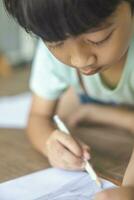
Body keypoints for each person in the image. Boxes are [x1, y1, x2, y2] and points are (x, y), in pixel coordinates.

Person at [3, 0, 134, 199]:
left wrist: (129, 189)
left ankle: (94, 111)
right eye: (56, 43)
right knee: (65, 109)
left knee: (70, 106)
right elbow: (38, 116)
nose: (79, 60)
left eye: (98, 39)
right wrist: (50, 144)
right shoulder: (56, 42)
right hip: (100, 101)